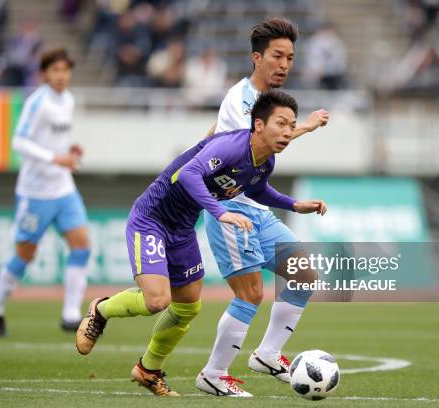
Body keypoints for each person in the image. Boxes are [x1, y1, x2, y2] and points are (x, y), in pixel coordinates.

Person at [75, 90, 327, 397]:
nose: (288, 132)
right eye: (281, 124)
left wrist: (293, 204)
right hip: (151, 219)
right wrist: (220, 213)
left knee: (187, 306)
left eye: (292, 125)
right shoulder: (232, 146)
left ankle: (148, 370)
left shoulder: (265, 161)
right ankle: (101, 310)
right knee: (157, 301)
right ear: (258, 125)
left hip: (182, 229)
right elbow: (188, 174)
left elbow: (258, 190)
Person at [196, 18, 329, 397]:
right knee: (251, 294)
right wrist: (305, 126)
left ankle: (268, 353)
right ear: (257, 58)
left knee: (302, 274)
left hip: (253, 204)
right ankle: (213, 374)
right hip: (229, 209)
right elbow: (264, 142)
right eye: (277, 56)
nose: (285, 64)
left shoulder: (264, 103)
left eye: (290, 57)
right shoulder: (240, 102)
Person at [0, 48, 91, 336]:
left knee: (82, 246)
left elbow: (56, 139)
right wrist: (54, 158)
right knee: (25, 255)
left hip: (64, 188)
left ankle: (70, 314)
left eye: (65, 70)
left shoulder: (68, 100)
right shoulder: (38, 102)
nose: (60, 76)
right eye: (54, 70)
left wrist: (69, 151)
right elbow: (18, 142)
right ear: (45, 74)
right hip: (36, 193)